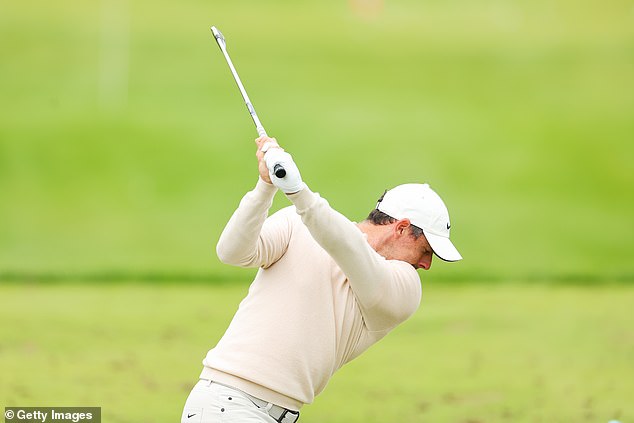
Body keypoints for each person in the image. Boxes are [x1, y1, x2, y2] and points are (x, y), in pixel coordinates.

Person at [181, 136, 462, 423]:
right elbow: (232, 252)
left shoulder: (404, 289)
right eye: (426, 250)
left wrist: (298, 192)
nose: (426, 265)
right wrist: (265, 186)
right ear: (402, 228)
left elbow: (349, 249)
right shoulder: (297, 222)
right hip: (226, 404)